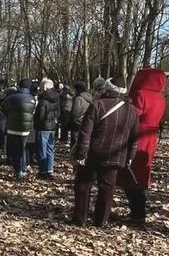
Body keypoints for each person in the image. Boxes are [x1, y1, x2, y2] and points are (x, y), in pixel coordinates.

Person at [71, 77, 139, 227]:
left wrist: (81, 155)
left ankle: (79, 219)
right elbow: (134, 137)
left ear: (107, 89)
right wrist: (130, 157)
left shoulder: (97, 105)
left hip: (93, 153)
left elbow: (85, 133)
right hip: (116, 155)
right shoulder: (132, 110)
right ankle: (101, 221)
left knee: (83, 185)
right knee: (107, 189)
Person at [118, 68, 167, 225]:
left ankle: (137, 213)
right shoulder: (160, 96)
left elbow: (133, 113)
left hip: (138, 135)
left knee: (132, 173)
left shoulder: (141, 94)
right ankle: (138, 211)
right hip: (150, 137)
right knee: (143, 173)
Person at [0, 78, 36, 179]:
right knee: (23, 149)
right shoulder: (32, 99)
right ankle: (23, 169)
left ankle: (17, 170)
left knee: (15, 150)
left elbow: (3, 109)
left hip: (12, 127)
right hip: (26, 129)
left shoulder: (12, 98)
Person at [34, 78, 60, 179]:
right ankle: (49, 170)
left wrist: (36, 123)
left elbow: (40, 115)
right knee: (50, 149)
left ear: (44, 87)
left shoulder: (43, 100)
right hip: (53, 126)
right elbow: (58, 112)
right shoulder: (57, 97)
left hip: (43, 126)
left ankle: (43, 171)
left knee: (42, 149)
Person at [69, 81, 93, 148]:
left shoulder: (78, 99)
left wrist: (72, 121)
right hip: (86, 121)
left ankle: (75, 156)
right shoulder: (90, 98)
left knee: (76, 142)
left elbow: (75, 113)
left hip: (77, 123)